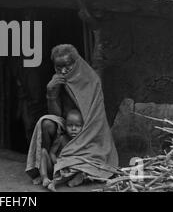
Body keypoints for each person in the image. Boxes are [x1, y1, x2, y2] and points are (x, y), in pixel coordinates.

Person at [25, 44, 118, 189]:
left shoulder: (91, 80)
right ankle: (45, 168)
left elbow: (96, 119)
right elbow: (56, 115)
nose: (62, 71)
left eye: (67, 66)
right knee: (46, 122)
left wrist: (82, 132)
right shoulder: (59, 80)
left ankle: (75, 170)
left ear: (76, 62)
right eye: (58, 67)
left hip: (89, 129)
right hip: (67, 125)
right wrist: (51, 93)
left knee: (96, 159)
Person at [40, 109, 84, 190]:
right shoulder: (62, 138)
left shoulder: (83, 141)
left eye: (77, 126)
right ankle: (44, 178)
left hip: (68, 171)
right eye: (70, 125)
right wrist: (56, 162)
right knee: (43, 151)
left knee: (80, 170)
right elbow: (52, 153)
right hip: (55, 167)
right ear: (65, 125)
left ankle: (60, 182)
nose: (73, 129)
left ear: (82, 127)